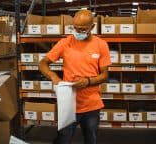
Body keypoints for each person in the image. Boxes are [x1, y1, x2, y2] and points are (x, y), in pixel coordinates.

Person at [39, 10, 111, 144]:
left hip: (91, 104)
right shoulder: (65, 43)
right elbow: (43, 63)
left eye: (83, 29)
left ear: (92, 27)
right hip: (69, 104)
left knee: (91, 139)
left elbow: (105, 75)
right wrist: (53, 76)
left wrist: (88, 81)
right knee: (63, 139)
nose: (78, 32)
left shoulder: (101, 45)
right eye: (75, 28)